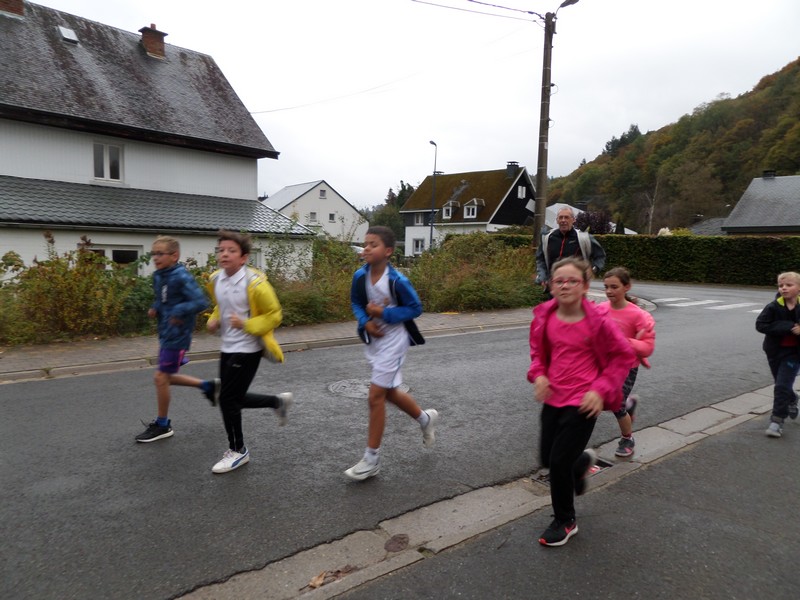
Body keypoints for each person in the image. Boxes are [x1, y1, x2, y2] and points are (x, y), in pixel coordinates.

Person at [528, 257, 635, 546]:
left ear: (585, 286)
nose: (565, 286)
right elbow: (538, 354)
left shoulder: (598, 321)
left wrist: (600, 390)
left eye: (572, 280)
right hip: (553, 398)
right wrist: (539, 374)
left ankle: (565, 520)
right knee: (547, 458)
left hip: (585, 401)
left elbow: (623, 356)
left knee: (558, 462)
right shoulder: (544, 317)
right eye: (559, 281)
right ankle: (580, 463)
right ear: (551, 286)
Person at [345, 225, 439, 481]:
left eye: (373, 244)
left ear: (387, 251)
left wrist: (384, 313)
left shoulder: (397, 280)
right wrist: (365, 321)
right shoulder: (359, 276)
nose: (366, 248)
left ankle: (371, 459)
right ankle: (425, 419)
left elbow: (415, 308)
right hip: (374, 340)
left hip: (395, 340)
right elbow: (356, 302)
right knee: (389, 393)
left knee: (375, 395)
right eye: (365, 244)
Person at [205, 229, 293, 473]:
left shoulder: (255, 283)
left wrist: (246, 324)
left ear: (243, 258)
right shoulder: (215, 280)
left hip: (249, 347)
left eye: (231, 250)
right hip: (227, 346)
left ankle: (238, 450)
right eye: (221, 250)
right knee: (232, 397)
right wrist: (213, 320)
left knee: (227, 399)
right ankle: (277, 402)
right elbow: (222, 306)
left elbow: (274, 314)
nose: (224, 254)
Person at [136, 236, 219, 443]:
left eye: (160, 254)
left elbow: (200, 302)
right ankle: (208, 386)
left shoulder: (181, 276)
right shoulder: (159, 275)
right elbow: (164, 298)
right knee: (166, 377)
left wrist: (178, 311)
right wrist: (156, 307)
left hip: (178, 334)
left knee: (161, 378)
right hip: (166, 332)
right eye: (153, 254)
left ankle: (163, 425)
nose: (155, 258)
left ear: (174, 256)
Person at [596, 267, 656, 457]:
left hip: (627, 366)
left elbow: (646, 345)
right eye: (606, 287)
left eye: (614, 287)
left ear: (627, 287)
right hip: (605, 365)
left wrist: (626, 342)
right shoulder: (600, 309)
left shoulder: (637, 314)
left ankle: (627, 438)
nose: (609, 291)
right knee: (598, 401)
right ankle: (630, 405)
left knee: (616, 405)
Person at [755, 271, 800, 438]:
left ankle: (777, 422)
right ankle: (792, 398)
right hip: (775, 352)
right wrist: (788, 326)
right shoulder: (773, 307)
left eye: (789, 285)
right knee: (781, 384)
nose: (784, 288)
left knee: (781, 386)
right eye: (781, 285)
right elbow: (760, 325)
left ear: (799, 288)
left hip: (794, 354)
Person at [535, 206, 606, 299]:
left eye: (566, 217)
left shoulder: (584, 238)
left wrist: (593, 269)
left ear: (573, 220)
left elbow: (600, 256)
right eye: (560, 217)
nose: (563, 220)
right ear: (557, 220)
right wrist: (542, 275)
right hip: (554, 289)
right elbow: (540, 258)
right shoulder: (548, 238)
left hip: (576, 288)